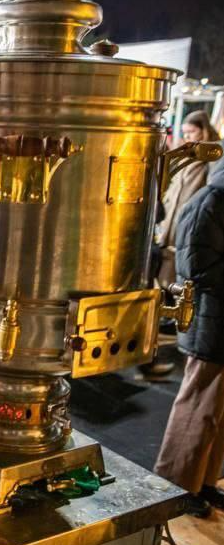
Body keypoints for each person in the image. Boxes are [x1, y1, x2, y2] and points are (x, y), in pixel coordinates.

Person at [153, 166, 224, 519]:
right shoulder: (210, 200)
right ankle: (176, 485)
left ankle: (205, 480)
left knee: (217, 413)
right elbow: (195, 265)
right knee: (198, 405)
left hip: (219, 318)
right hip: (211, 320)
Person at [156, 111, 220, 295]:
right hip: (172, 223)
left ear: (204, 131)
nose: (186, 137)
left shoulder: (211, 156)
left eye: (191, 132)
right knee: (165, 278)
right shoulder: (187, 154)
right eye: (184, 132)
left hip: (189, 225)